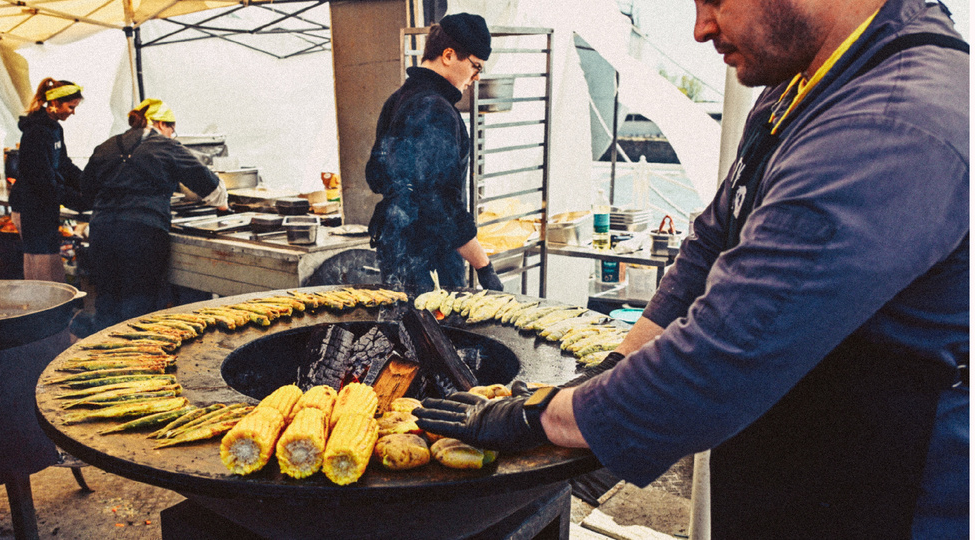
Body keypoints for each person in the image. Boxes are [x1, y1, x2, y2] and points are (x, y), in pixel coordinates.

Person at [414, 0, 969, 538]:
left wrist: (538, 418)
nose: (701, 28)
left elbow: (727, 351)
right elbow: (712, 239)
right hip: (790, 453)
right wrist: (616, 362)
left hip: (878, 484)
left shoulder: (891, 121)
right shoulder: (800, 85)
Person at [365, 12, 503, 294]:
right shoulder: (433, 109)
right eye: (476, 67)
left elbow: (376, 176)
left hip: (399, 254)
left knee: (405, 331)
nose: (476, 77)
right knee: (434, 336)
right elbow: (439, 203)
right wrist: (484, 268)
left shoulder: (400, 99)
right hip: (427, 261)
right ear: (449, 55)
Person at [79, 98, 228, 331]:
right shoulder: (166, 145)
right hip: (142, 234)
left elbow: (86, 190)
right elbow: (209, 184)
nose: (172, 134)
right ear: (160, 124)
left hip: (102, 230)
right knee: (138, 306)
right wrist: (222, 204)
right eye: (172, 128)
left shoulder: (106, 146)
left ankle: (102, 354)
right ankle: (137, 357)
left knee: (107, 301)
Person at [9, 78, 85, 282]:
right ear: (54, 103)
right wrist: (76, 200)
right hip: (30, 207)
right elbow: (41, 180)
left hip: (43, 204)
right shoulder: (36, 132)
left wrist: (86, 182)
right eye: (71, 107)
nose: (73, 112)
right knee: (41, 267)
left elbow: (64, 164)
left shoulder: (54, 128)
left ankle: (50, 308)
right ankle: (44, 311)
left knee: (48, 262)